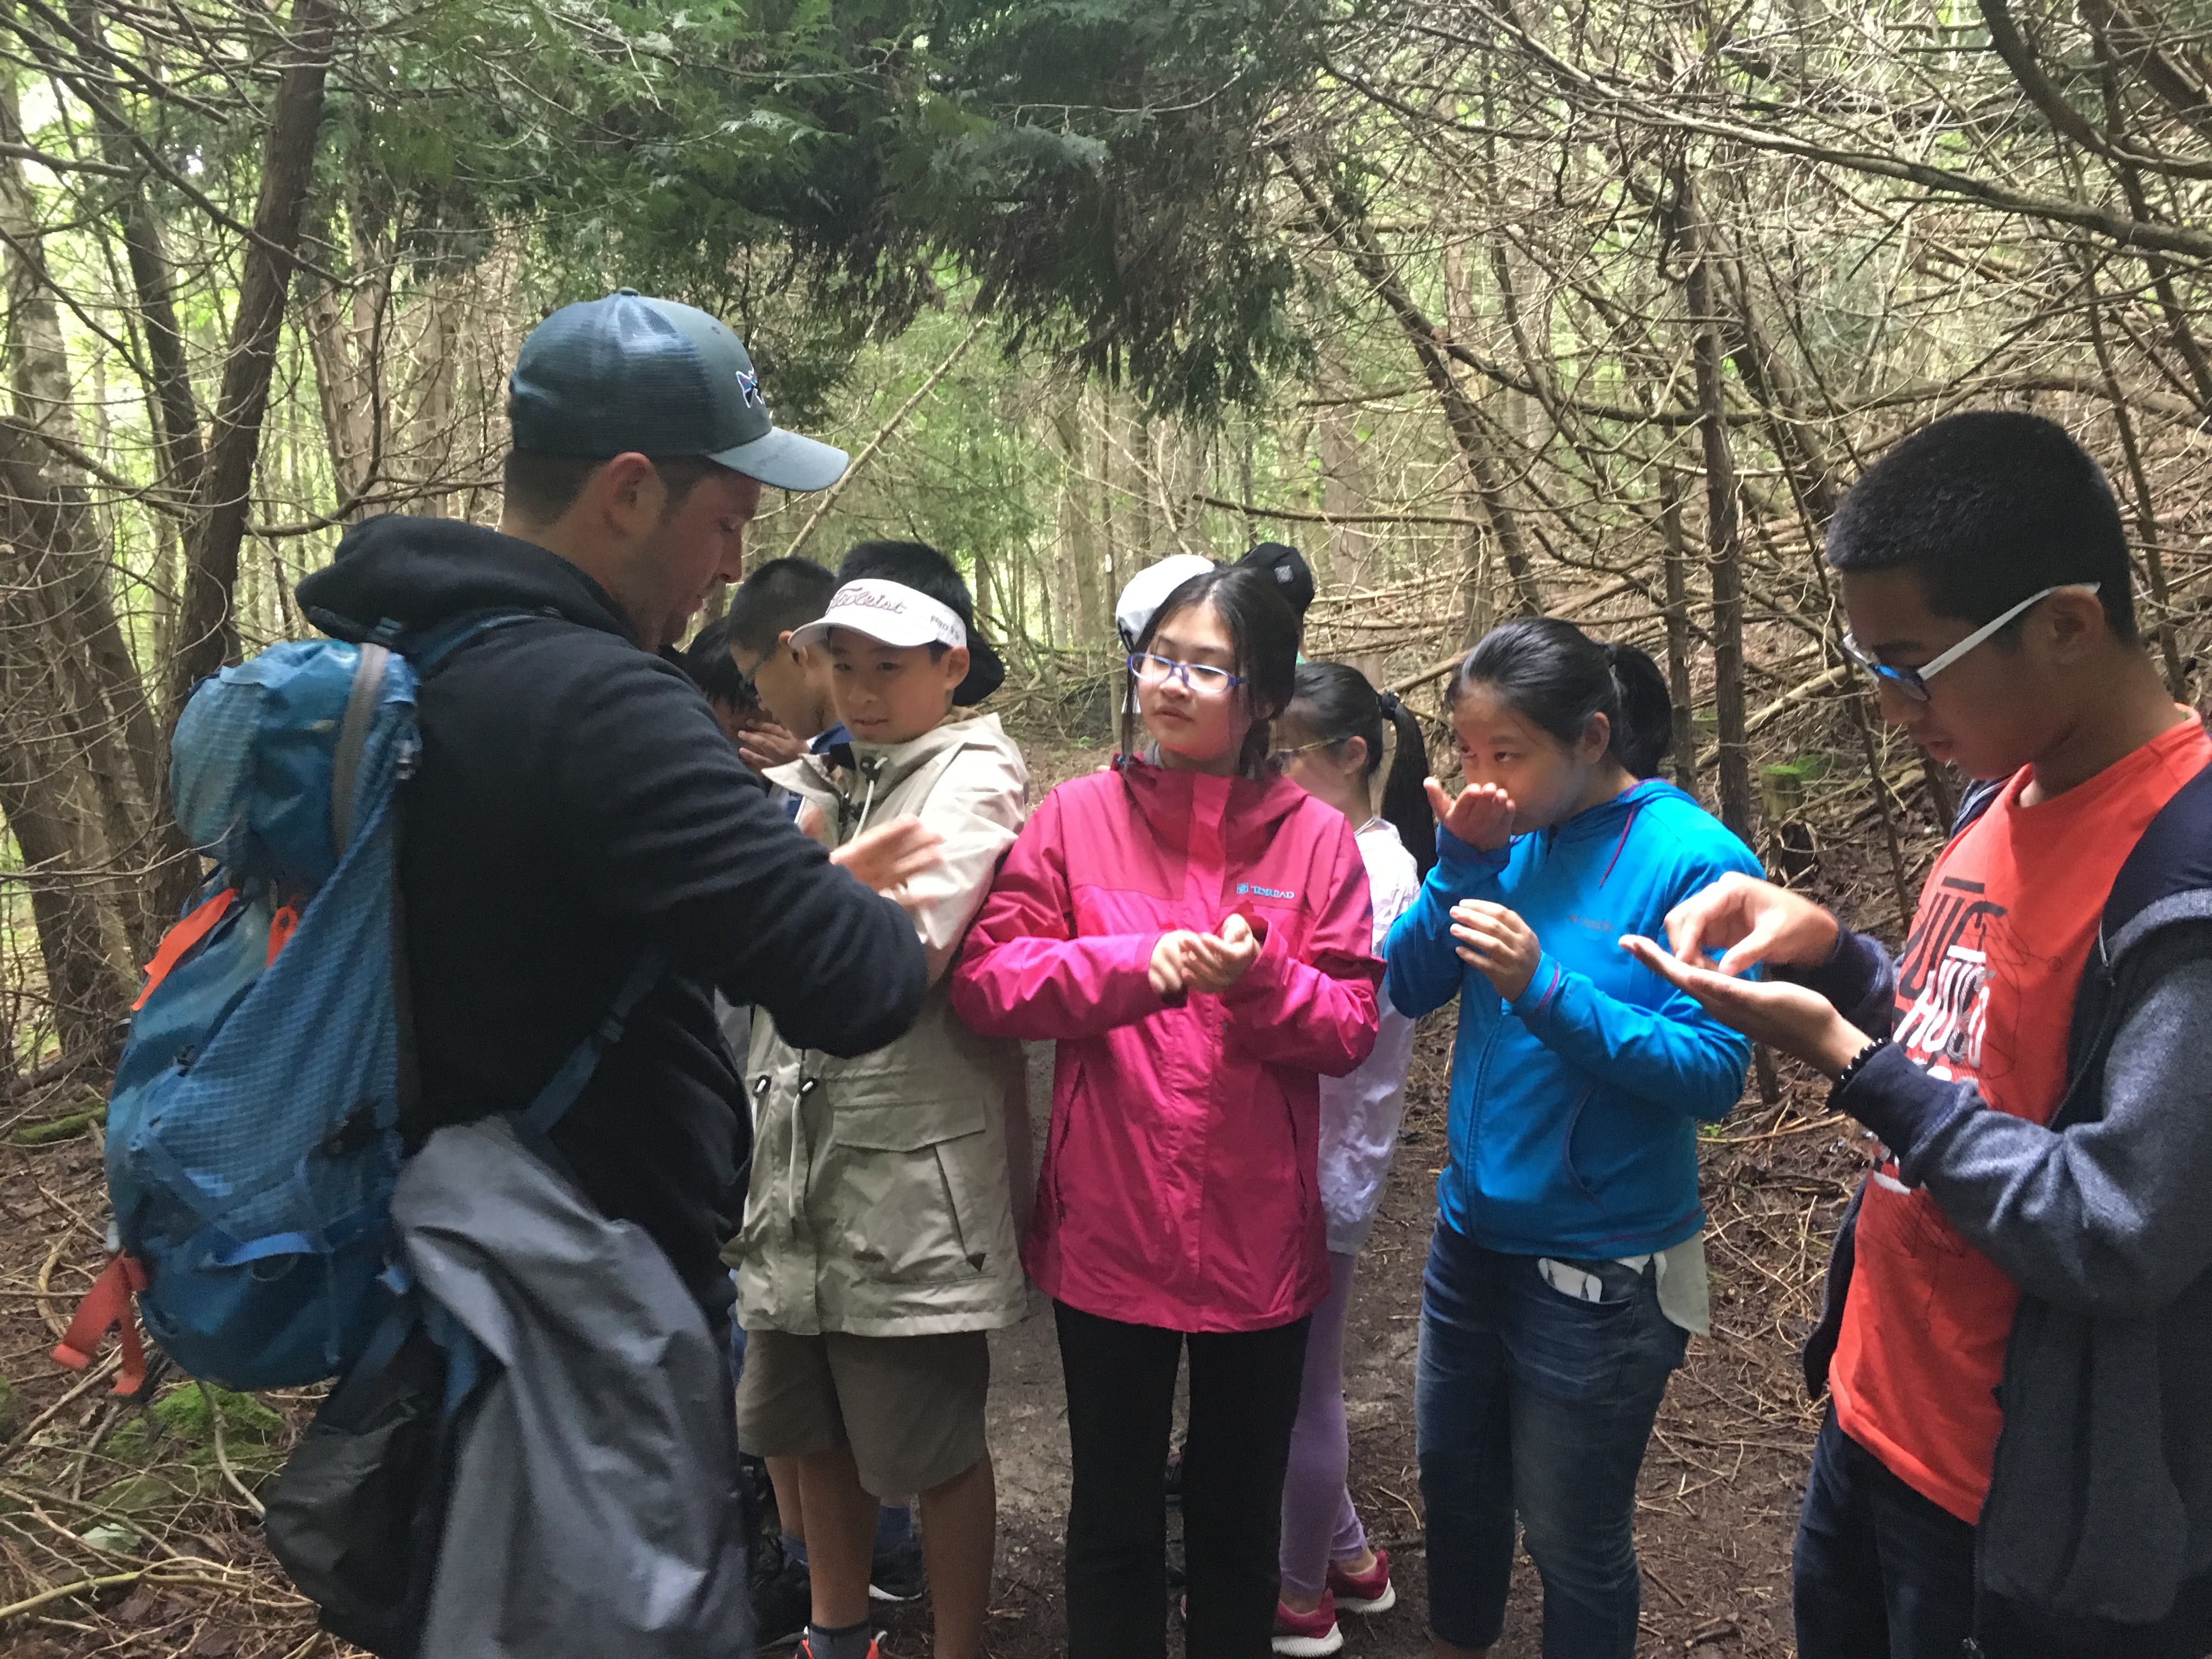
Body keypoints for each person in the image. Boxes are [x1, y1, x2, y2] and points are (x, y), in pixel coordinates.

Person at [290, 289, 942, 1641]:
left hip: (432, 1254)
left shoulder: (408, 658)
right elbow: (859, 980)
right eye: (726, 523)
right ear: (632, 493)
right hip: (578, 1288)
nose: (732, 565)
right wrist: (834, 896)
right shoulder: (600, 705)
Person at [1624, 411, 2212, 1659]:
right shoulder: (2002, 787)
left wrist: (1850, 1060)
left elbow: (2122, 1226)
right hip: (1875, 1421)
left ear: (2064, 623)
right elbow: (1978, 1052)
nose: (1890, 706)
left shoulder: (2185, 880)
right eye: (1868, 665)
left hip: (2023, 1519)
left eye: (1911, 665)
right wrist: (1836, 957)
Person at [951, 565, 1383, 1659]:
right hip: (1113, 1227)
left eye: (1207, 667)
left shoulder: (1315, 841)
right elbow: (990, 983)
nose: (1172, 685)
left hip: (1258, 1237)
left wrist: (1256, 982)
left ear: (1266, 696)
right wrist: (1135, 967)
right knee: (1113, 1519)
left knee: (1239, 1522)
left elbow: (1345, 1026)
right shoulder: (1075, 819)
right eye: (1160, 658)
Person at [1383, 618, 1760, 1659]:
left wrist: (1544, 988)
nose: (1481, 778)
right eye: (1465, 751)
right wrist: (1458, 860)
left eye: (1507, 754)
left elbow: (1714, 1073)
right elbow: (1406, 983)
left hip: (1598, 1263)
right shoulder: (1504, 838)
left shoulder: (1694, 861)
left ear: (1591, 736)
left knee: (1570, 1536)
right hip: (1471, 1236)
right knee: (1455, 1488)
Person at [727, 541, 1031, 1659]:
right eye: (842, 662)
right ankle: (835, 1629)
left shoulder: (973, 772)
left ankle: (956, 1647)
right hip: (795, 1164)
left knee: (931, 1439)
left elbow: (903, 945)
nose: (861, 688)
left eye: (889, 664)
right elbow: (719, 909)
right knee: (809, 1432)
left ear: (949, 665)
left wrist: (785, 897)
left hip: (909, 1174)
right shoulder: (827, 771)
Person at [1265, 664, 1435, 1658]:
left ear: (1351, 756)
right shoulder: (1368, 856)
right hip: (1333, 1153)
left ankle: (1298, 1597)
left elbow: (1333, 1022)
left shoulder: (1370, 872)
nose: (1272, 774)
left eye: (1284, 755)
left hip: (1322, 1162)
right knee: (1305, 1372)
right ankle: (1347, 1554)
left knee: (1303, 1384)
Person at [729, 556, 850, 784]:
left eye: (751, 681)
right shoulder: (847, 754)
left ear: (796, 653)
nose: (761, 703)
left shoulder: (855, 761)